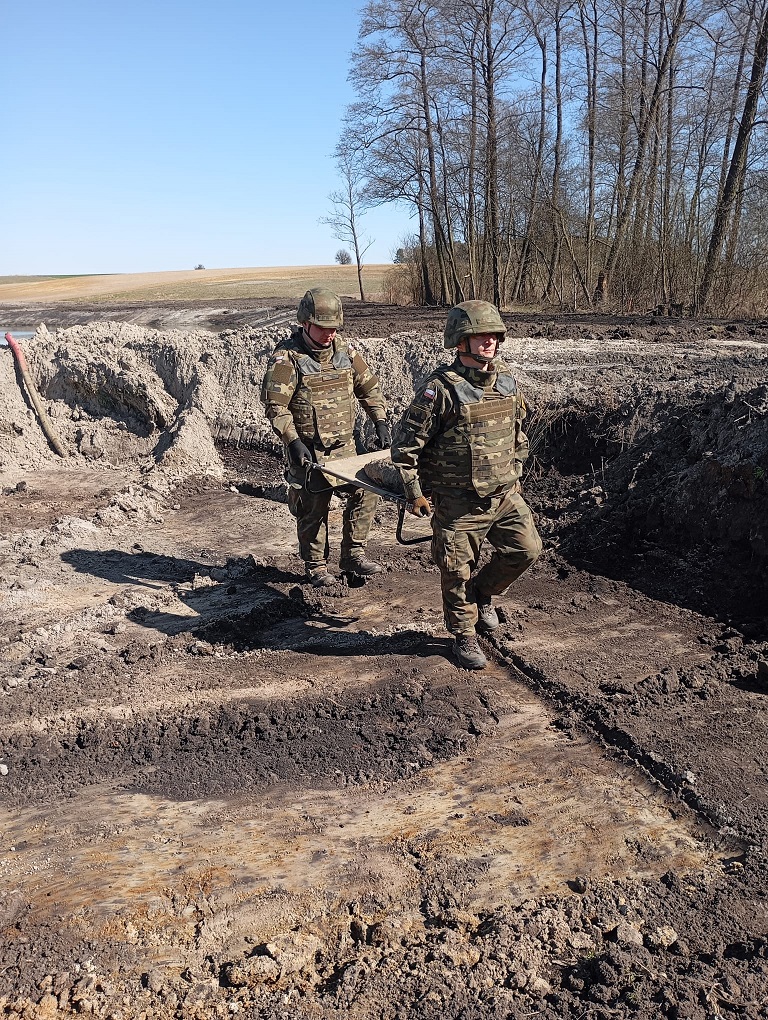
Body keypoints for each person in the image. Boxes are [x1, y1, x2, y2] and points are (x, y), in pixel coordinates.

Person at [391, 300, 542, 669]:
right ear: (461, 341)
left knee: (526, 550)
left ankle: (483, 592)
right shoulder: (440, 390)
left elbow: (518, 434)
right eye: (479, 335)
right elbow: (405, 447)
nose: (488, 341)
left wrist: (514, 472)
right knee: (456, 569)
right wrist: (414, 493)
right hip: (458, 502)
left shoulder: (506, 381)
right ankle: (464, 635)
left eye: (493, 335)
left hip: (504, 497)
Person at [261, 287, 391, 586]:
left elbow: (369, 388)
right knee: (313, 509)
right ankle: (317, 566)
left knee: (367, 491)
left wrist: (380, 421)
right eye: (322, 327)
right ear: (305, 323)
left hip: (345, 449)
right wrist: (292, 441)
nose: (329, 334)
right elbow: (275, 405)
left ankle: (353, 555)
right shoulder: (285, 359)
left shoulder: (346, 353)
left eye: (334, 328)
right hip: (309, 451)